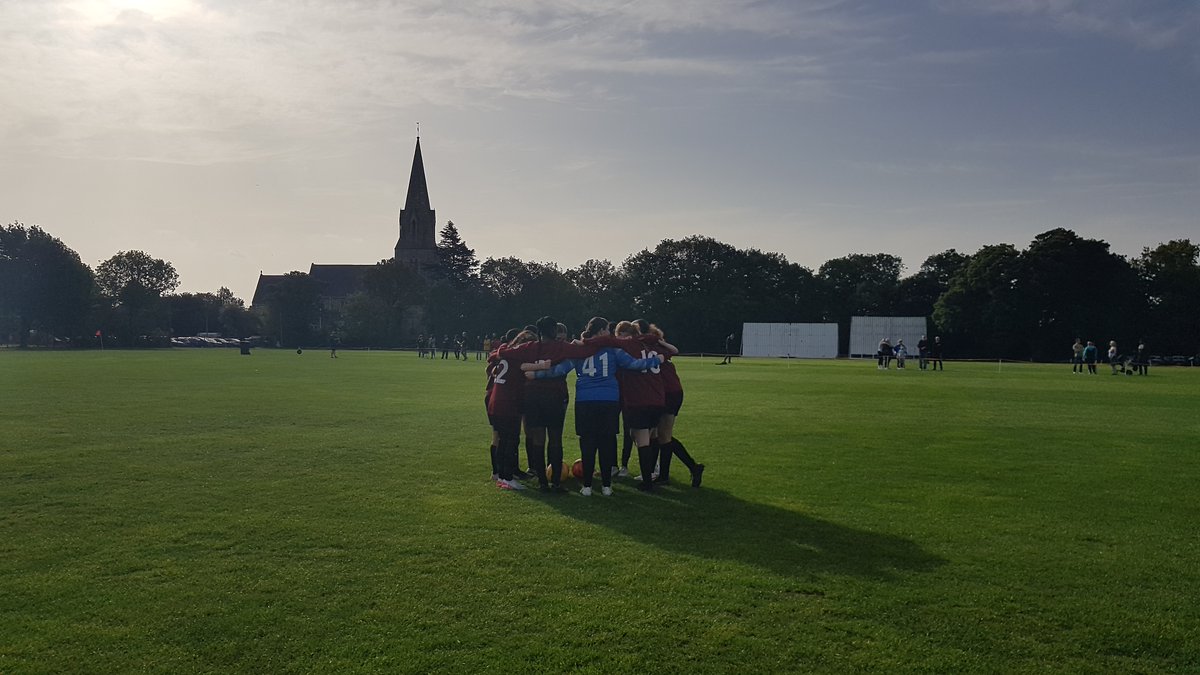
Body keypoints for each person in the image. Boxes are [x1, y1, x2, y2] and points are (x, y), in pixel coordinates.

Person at [524, 317, 661, 496]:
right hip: (609, 400)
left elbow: (560, 370)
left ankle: (587, 486)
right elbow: (634, 364)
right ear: (602, 330)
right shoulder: (613, 349)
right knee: (606, 443)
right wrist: (657, 360)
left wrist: (537, 375)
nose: (609, 334)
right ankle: (606, 486)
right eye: (607, 330)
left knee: (587, 444)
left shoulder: (580, 349)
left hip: (585, 400)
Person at [490, 316, 609, 491]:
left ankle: (542, 482)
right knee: (555, 439)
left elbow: (505, 353)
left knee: (538, 438)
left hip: (533, 396)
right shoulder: (561, 347)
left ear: (539, 332)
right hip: (555, 396)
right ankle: (555, 483)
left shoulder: (530, 347)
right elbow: (586, 352)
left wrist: (501, 346)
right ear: (554, 331)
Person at [643, 323, 704, 488]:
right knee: (658, 435)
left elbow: (673, 351)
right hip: (667, 393)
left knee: (663, 436)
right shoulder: (655, 347)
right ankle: (662, 473)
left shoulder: (653, 348)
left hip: (669, 394)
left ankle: (669, 474)